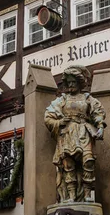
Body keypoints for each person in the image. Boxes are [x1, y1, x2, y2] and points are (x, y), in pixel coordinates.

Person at [45, 65, 106, 203]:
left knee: (88, 162)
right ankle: (71, 197)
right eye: (69, 82)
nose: (71, 85)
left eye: (73, 82)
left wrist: (100, 126)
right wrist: (60, 122)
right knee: (68, 164)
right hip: (67, 133)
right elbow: (48, 117)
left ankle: (87, 195)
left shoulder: (87, 98)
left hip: (84, 132)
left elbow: (98, 112)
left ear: (79, 83)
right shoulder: (62, 100)